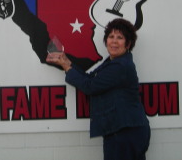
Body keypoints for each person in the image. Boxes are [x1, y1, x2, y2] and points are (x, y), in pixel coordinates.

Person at [46, 18, 150, 160]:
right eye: (111, 36)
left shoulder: (121, 66)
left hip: (126, 133)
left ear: (128, 44)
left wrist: (66, 67)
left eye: (120, 38)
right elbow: (90, 79)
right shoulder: (113, 61)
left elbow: (90, 86)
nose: (114, 41)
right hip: (121, 131)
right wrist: (67, 62)